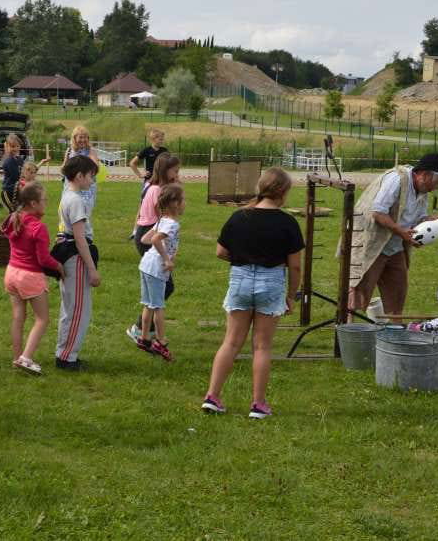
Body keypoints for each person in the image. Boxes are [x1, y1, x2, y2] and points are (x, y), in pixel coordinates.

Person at [201, 167, 304, 418]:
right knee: (261, 346)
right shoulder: (288, 222)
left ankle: (213, 396)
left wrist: (243, 260)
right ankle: (258, 404)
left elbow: (220, 252)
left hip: (240, 279)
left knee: (231, 342)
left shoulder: (239, 217)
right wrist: (291, 295)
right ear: (282, 192)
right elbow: (296, 265)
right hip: (271, 283)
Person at [347, 153, 438, 318]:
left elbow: (418, 219)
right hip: (373, 243)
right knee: (359, 291)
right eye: (436, 182)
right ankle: (347, 331)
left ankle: (393, 333)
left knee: (397, 292)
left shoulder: (423, 191)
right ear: (424, 174)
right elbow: (378, 212)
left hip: (394, 247)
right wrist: (401, 231)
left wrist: (428, 223)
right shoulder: (397, 180)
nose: (435, 187)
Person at [1, 182, 63, 374]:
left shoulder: (13, 218)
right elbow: (43, 259)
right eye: (44, 200)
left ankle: (17, 357)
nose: (47, 203)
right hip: (30, 277)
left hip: (11, 273)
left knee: (18, 317)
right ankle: (26, 358)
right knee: (42, 319)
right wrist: (60, 267)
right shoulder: (39, 227)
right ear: (34, 203)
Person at [126, 153, 181, 343]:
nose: (177, 174)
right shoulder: (159, 191)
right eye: (175, 171)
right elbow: (164, 217)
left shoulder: (151, 185)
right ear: (166, 171)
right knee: (164, 286)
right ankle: (142, 328)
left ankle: (143, 329)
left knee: (160, 286)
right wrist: (167, 257)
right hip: (148, 234)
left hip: (144, 232)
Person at [53, 155, 101, 370]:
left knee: (69, 307)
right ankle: (66, 358)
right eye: (91, 175)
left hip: (68, 257)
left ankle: (64, 352)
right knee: (78, 310)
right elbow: (81, 239)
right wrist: (92, 269)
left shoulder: (67, 196)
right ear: (80, 176)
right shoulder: (76, 201)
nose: (92, 180)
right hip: (77, 259)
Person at [136, 184, 185, 361]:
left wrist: (157, 234)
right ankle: (160, 340)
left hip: (145, 265)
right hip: (156, 268)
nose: (184, 203)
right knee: (158, 306)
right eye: (183, 200)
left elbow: (144, 239)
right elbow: (155, 239)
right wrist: (166, 258)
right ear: (175, 204)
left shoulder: (161, 220)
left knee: (148, 304)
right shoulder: (172, 224)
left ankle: (144, 338)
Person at [61, 125, 101, 209]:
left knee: (82, 212)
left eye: (85, 137)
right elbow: (63, 169)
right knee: (69, 210)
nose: (83, 140)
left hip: (86, 188)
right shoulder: (69, 151)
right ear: (74, 138)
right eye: (80, 137)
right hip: (70, 186)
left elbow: (96, 169)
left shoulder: (90, 151)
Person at [0, 133, 25, 211]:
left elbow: (25, 171)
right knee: (14, 213)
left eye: (17, 146)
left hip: (17, 190)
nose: (15, 148)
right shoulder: (8, 161)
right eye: (12, 146)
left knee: (20, 213)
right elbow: (17, 176)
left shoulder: (20, 160)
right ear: (7, 147)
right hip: (8, 192)